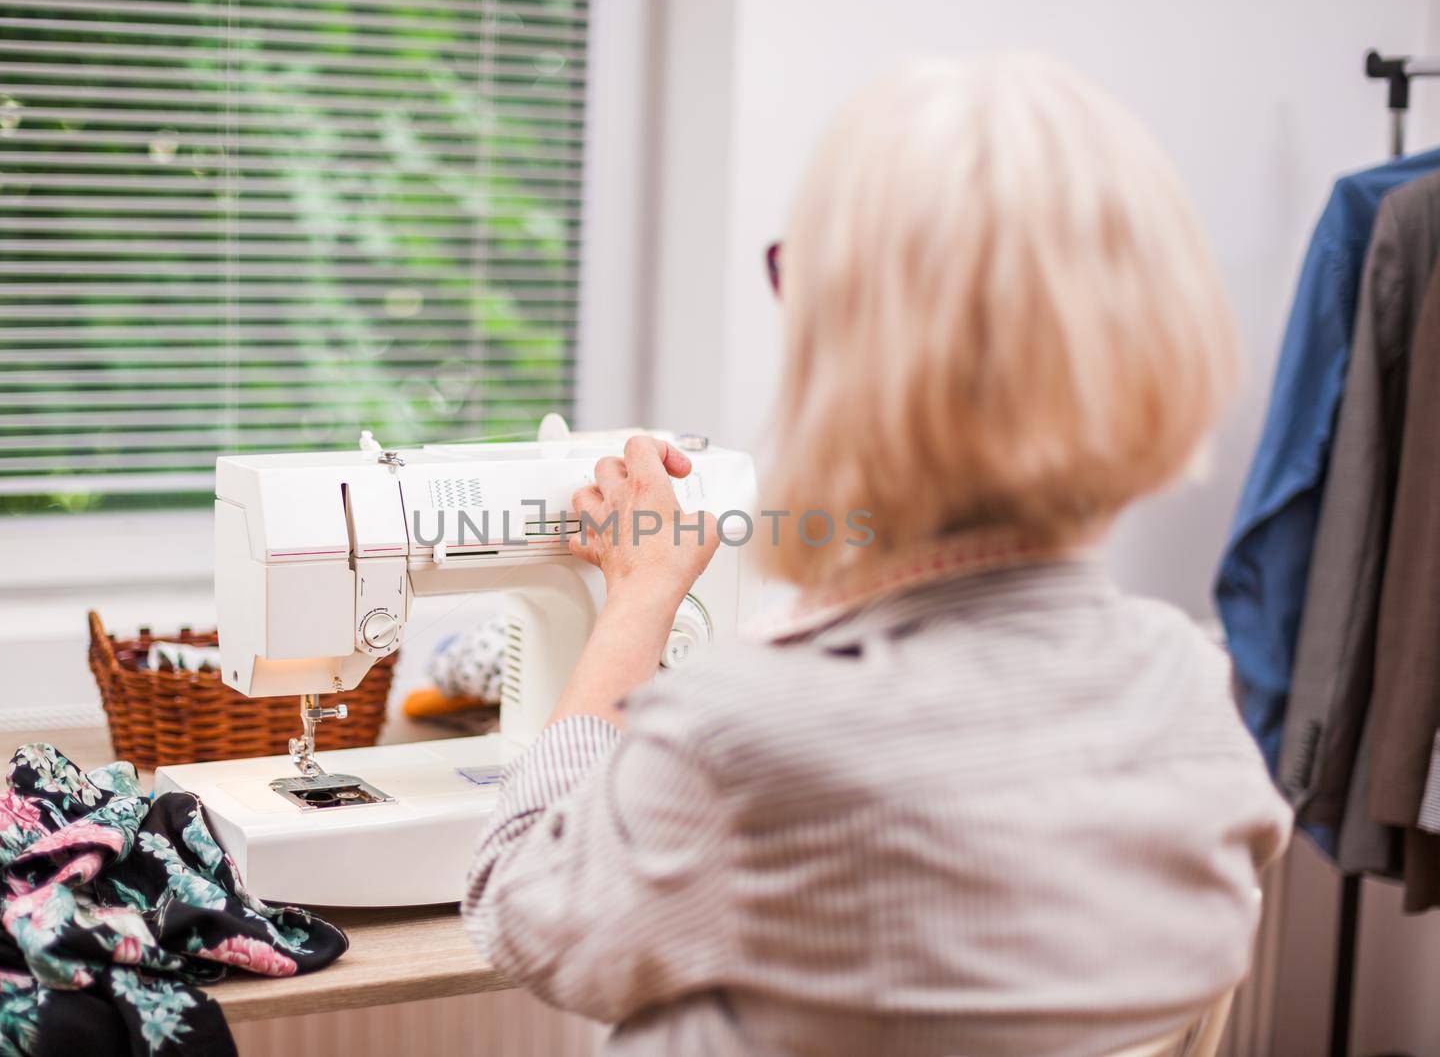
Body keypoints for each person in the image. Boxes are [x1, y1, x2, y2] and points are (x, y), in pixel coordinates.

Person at [461, 54, 1291, 1057]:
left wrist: (637, 596)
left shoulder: (752, 735)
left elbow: (516, 905)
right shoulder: (1191, 690)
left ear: (848, 343)